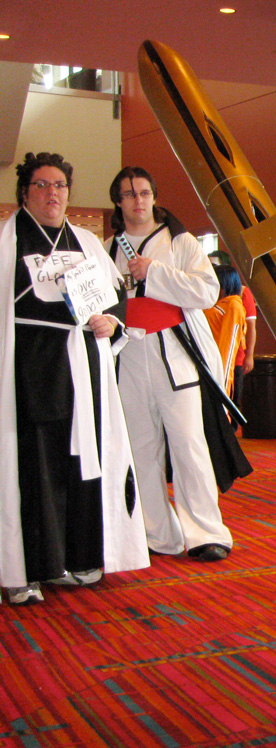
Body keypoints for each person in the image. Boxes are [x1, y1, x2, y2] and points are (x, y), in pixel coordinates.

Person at [0, 152, 148, 604]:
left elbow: (116, 304)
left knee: (82, 463)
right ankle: (24, 567)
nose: (52, 194)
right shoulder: (7, 244)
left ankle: (72, 558)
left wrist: (110, 323)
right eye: (42, 185)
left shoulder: (85, 241)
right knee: (33, 466)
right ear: (25, 191)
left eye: (59, 185)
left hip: (83, 372)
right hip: (28, 371)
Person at [106, 166, 238, 562]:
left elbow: (207, 289)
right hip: (129, 353)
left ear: (154, 196)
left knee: (189, 445)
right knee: (141, 449)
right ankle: (156, 533)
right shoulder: (106, 248)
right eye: (129, 194)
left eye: (144, 192)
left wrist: (156, 273)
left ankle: (205, 533)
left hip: (175, 354)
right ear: (118, 201)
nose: (138, 200)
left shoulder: (179, 242)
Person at [203, 264, 247, 397]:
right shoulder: (216, 304)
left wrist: (222, 383)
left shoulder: (233, 306)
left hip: (220, 367)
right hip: (208, 362)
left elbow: (228, 345)